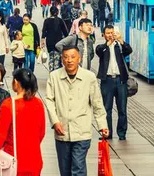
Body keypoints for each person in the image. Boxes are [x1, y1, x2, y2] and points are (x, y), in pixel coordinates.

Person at [45, 46, 107, 176]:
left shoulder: (89, 77)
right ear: (62, 59)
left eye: (73, 57)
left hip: (82, 132)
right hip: (62, 131)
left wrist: (102, 125)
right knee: (65, 170)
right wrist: (55, 122)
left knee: (78, 168)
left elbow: (97, 102)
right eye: (66, 57)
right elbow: (49, 101)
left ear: (79, 58)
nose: (69, 60)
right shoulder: (54, 77)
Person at [0, 68, 45, 176]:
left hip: (14, 160)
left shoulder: (9, 104)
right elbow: (41, 133)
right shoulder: (38, 103)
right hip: (34, 159)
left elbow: (1, 134)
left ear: (16, 82)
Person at [96, 25, 133, 141]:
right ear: (104, 35)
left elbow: (129, 50)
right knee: (107, 108)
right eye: (108, 33)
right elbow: (99, 51)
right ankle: (108, 132)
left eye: (112, 32)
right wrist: (108, 43)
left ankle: (122, 133)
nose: (111, 35)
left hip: (120, 80)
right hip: (107, 80)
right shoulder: (102, 47)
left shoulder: (119, 47)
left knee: (122, 108)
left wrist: (121, 40)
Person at [42, 6, 69, 71]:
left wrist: (42, 43)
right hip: (59, 42)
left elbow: (44, 33)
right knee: (57, 58)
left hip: (49, 42)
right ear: (57, 12)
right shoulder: (60, 20)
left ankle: (51, 72)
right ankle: (56, 72)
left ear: (50, 12)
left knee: (51, 57)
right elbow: (66, 33)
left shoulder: (47, 20)